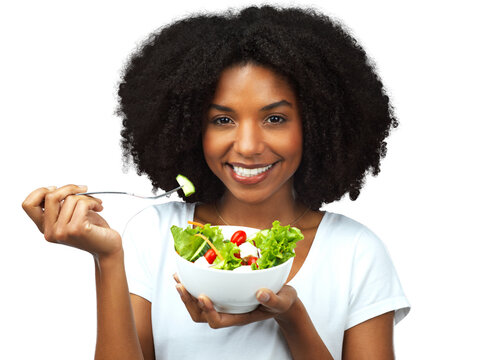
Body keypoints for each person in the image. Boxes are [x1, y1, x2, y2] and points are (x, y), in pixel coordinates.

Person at [22, 5, 410, 359]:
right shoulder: (155, 235)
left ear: (318, 125)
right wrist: (107, 258)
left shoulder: (356, 252)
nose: (247, 146)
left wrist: (292, 318)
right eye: (222, 120)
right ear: (191, 128)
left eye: (274, 118)